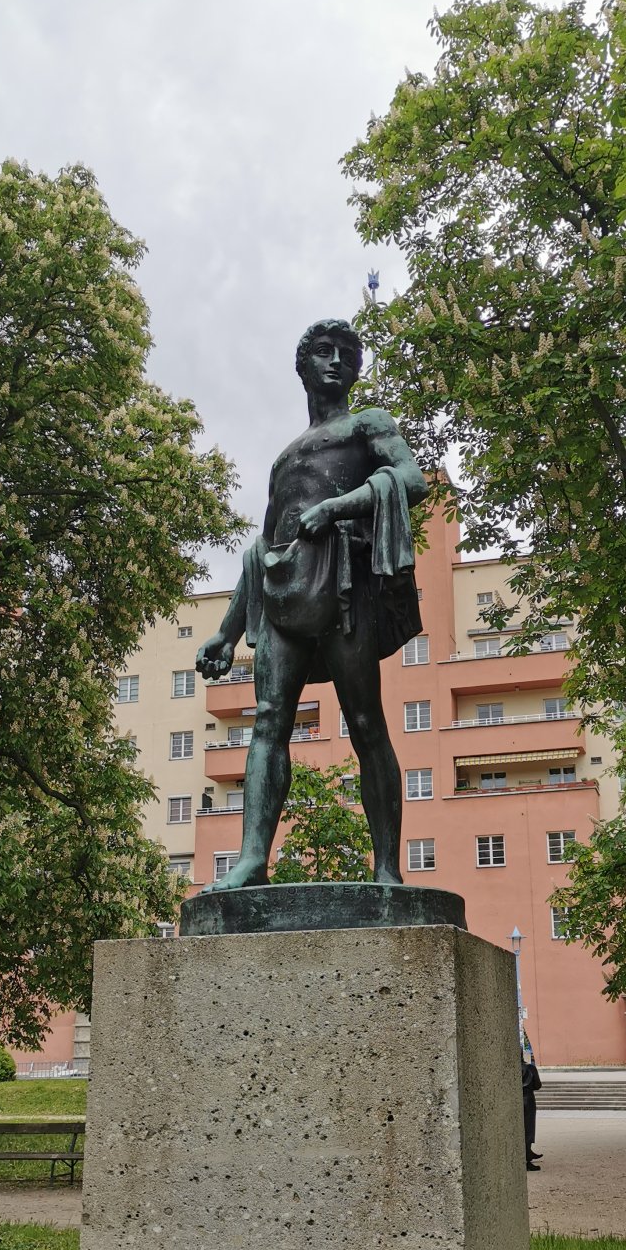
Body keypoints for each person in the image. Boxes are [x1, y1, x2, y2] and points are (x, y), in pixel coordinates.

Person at [196, 318, 428, 890]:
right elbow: (263, 550)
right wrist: (226, 632)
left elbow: (410, 479)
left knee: (366, 722)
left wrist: (336, 508)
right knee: (268, 721)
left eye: (346, 354)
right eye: (324, 352)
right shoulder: (283, 459)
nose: (336, 361)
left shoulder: (367, 424)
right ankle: (252, 860)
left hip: (343, 583)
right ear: (302, 367)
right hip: (283, 594)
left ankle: (387, 868)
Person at [522, 1034, 542, 1170]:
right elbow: (537, 1085)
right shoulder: (530, 1068)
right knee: (528, 1129)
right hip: (528, 1100)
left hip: (516, 1100)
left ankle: (528, 1153)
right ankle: (527, 1157)